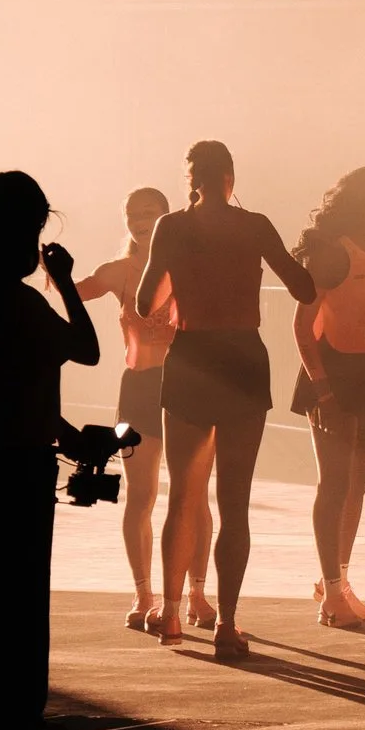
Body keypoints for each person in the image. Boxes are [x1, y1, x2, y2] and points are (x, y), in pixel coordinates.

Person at [134, 140, 313, 663]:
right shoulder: (254, 224)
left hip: (191, 355)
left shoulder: (172, 227)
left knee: (182, 494)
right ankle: (227, 626)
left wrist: (177, 274)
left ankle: (169, 612)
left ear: (191, 179)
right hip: (241, 358)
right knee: (235, 502)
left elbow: (146, 300)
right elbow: (302, 288)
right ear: (230, 175)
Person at [0, 170, 100, 730]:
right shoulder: (22, 301)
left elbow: (1, 384)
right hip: (25, 460)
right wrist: (65, 283)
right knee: (26, 592)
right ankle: (21, 717)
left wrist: (60, 429)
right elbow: (84, 349)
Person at [75, 186, 209, 634]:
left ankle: (197, 593)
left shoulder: (189, 263)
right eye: (132, 214)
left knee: (193, 493)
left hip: (188, 386)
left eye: (149, 213)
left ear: (166, 217)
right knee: (141, 495)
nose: (140, 221)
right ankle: (143, 592)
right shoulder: (119, 270)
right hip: (138, 389)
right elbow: (74, 293)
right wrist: (46, 268)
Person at [293, 168, 365, 628]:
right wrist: (321, 387)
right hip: (331, 372)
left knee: (358, 482)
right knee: (335, 484)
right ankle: (332, 592)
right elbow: (302, 327)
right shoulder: (330, 251)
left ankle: (338, 580)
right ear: (363, 201)